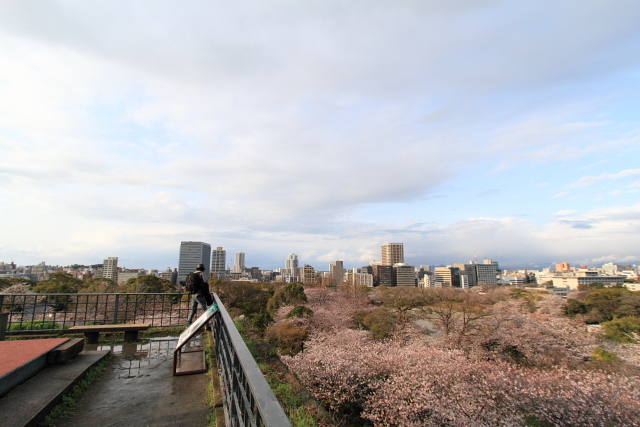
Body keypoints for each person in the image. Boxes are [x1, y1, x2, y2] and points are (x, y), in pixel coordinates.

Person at [186, 263, 212, 331]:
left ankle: (188, 324)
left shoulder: (191, 274)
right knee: (204, 310)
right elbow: (205, 281)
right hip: (200, 294)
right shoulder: (201, 274)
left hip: (193, 294)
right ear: (202, 269)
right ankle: (207, 325)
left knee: (193, 310)